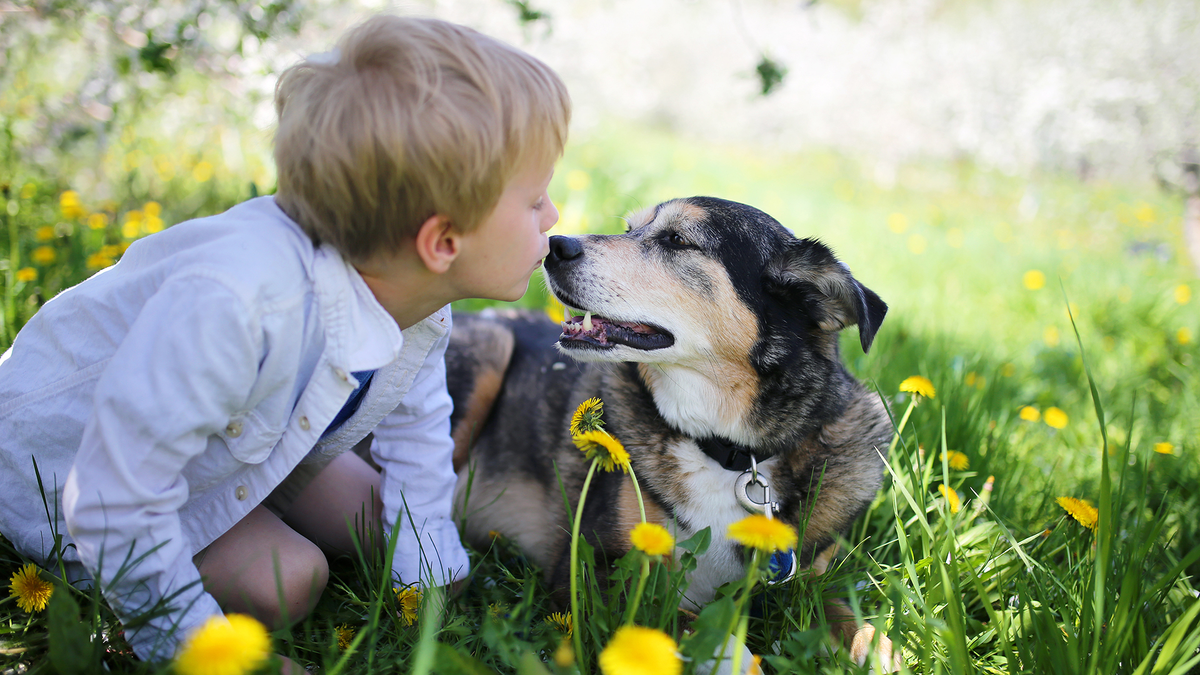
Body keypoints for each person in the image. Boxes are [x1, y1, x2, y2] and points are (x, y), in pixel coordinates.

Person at [0, 14, 569, 664]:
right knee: (290, 578)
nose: (552, 218)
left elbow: (419, 431)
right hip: (61, 465)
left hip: (240, 439)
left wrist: (432, 570)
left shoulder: (415, 298)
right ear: (442, 242)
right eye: (535, 201)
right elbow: (111, 493)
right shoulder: (237, 302)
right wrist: (191, 648)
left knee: (378, 521)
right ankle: (134, 623)